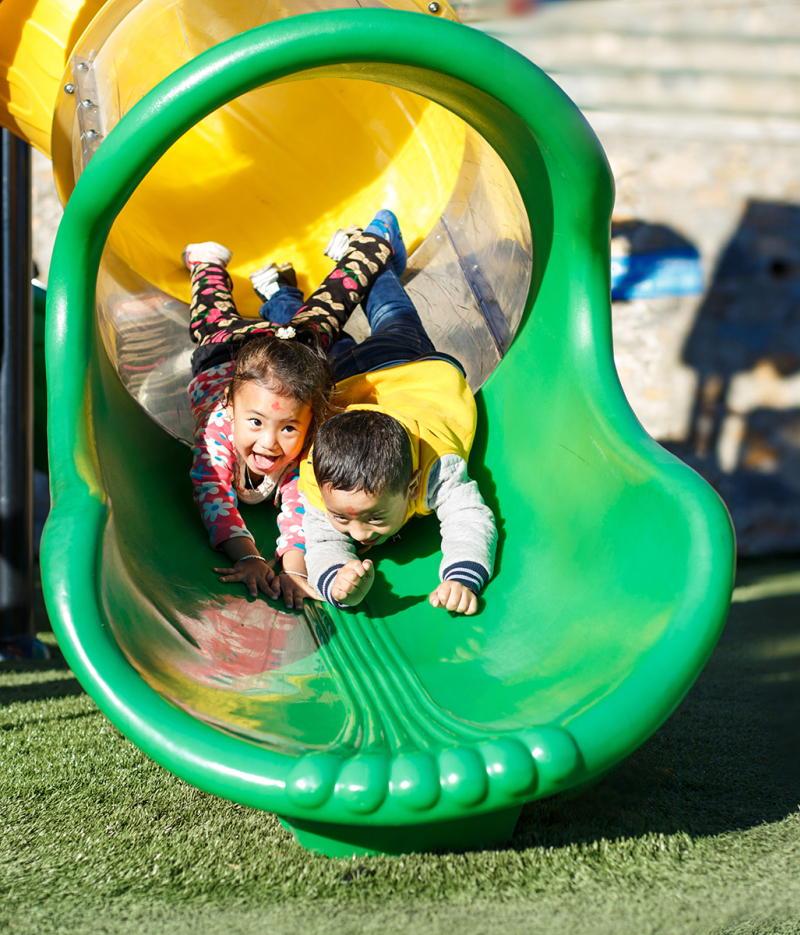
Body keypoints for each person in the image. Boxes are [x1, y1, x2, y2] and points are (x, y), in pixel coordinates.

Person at [183, 216, 396, 609]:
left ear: (309, 420)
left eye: (287, 428)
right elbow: (212, 492)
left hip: (288, 354)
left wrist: (295, 568)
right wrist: (247, 555)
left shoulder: (309, 439)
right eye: (256, 423)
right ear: (230, 409)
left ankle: (368, 246)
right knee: (210, 320)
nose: (268, 442)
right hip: (225, 354)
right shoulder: (218, 429)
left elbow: (302, 503)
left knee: (326, 314)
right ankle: (207, 264)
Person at [295, 213, 497, 617]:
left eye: (373, 518)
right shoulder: (321, 475)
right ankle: (302, 285)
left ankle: (364, 257)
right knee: (359, 324)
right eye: (343, 518)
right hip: (353, 382)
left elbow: (470, 517)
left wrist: (462, 575)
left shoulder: (437, 467)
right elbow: (318, 541)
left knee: (384, 314)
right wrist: (336, 579)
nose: (358, 534)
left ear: (413, 486)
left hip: (403, 363)